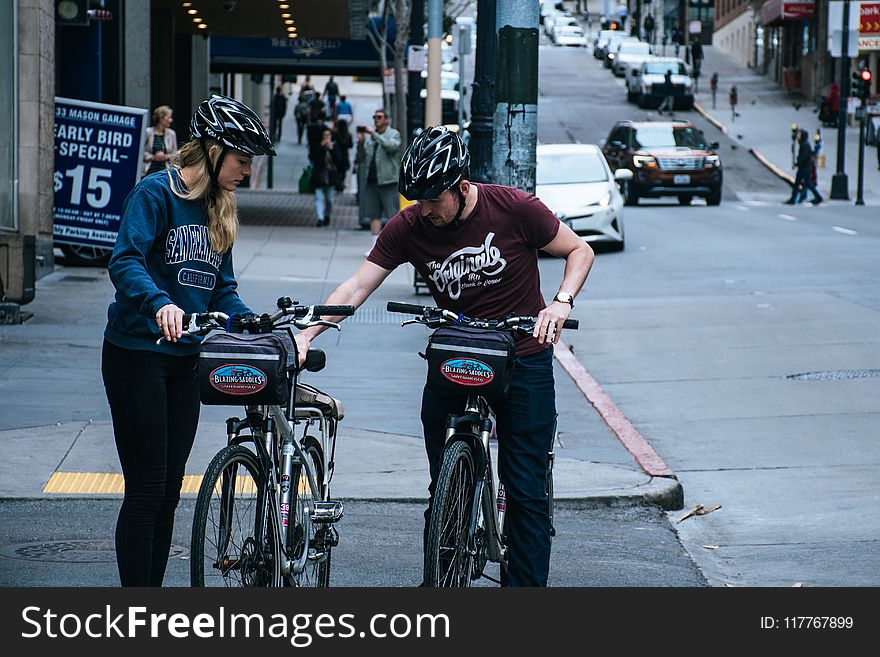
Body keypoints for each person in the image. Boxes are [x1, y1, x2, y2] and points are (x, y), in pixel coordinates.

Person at [292, 126, 594, 587]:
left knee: (526, 489)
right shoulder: (411, 226)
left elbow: (579, 250)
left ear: (463, 186)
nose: (424, 210)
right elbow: (356, 286)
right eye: (417, 200)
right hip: (458, 353)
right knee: (444, 487)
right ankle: (442, 575)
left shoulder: (514, 208)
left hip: (522, 356)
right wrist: (307, 334)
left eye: (434, 199)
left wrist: (560, 303)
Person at [102, 94, 275, 587]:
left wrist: (250, 322)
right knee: (146, 489)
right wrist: (160, 303)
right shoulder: (157, 194)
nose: (247, 171)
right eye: (242, 160)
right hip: (137, 353)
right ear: (215, 151)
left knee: (171, 490)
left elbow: (223, 289)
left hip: (184, 362)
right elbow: (125, 260)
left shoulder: (220, 210)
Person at [356, 108, 401, 250]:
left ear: (386, 120)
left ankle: (395, 247)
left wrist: (374, 134)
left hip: (388, 181)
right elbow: (362, 158)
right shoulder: (371, 139)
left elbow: (391, 147)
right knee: (373, 215)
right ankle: (375, 248)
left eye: (379, 117)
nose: (376, 119)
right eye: (375, 117)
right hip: (372, 182)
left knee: (392, 216)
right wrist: (362, 143)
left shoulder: (393, 134)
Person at [309, 126, 346, 226]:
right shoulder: (317, 146)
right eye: (325, 136)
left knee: (329, 199)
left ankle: (327, 215)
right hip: (319, 175)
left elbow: (339, 161)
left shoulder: (335, 146)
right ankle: (320, 218)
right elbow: (312, 157)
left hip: (331, 176)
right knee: (319, 197)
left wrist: (331, 149)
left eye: (328, 135)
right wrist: (321, 147)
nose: (326, 138)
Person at [785, 129, 823, 205]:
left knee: (804, 183)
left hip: (804, 168)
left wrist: (797, 164)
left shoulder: (805, 145)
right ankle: (818, 197)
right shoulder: (804, 144)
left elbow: (804, 157)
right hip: (804, 167)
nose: (798, 136)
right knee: (805, 183)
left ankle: (794, 199)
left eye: (799, 135)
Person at [143, 105, 178, 176]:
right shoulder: (148, 132)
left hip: (165, 172)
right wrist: (153, 157)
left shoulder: (171, 134)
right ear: (161, 118)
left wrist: (165, 156)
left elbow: (175, 154)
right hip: (148, 171)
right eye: (169, 117)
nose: (171, 120)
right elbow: (140, 151)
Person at [334, 118, 354, 192]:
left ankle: (338, 184)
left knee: (337, 170)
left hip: (336, 153)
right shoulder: (348, 135)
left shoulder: (335, 134)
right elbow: (351, 145)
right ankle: (341, 183)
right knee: (343, 171)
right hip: (344, 154)